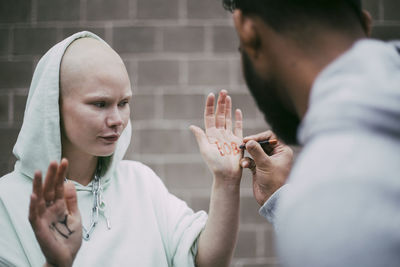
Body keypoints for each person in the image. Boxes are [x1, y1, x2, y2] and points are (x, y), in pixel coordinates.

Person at [0, 31, 244, 267]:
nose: (117, 119)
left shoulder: (140, 182)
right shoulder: (6, 200)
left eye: (124, 103)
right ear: (53, 106)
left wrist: (227, 182)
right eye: (100, 104)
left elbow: (205, 261)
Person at [220, 0, 400, 266]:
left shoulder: (328, 194)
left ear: (247, 30)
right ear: (365, 24)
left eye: (240, 49)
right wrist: (282, 198)